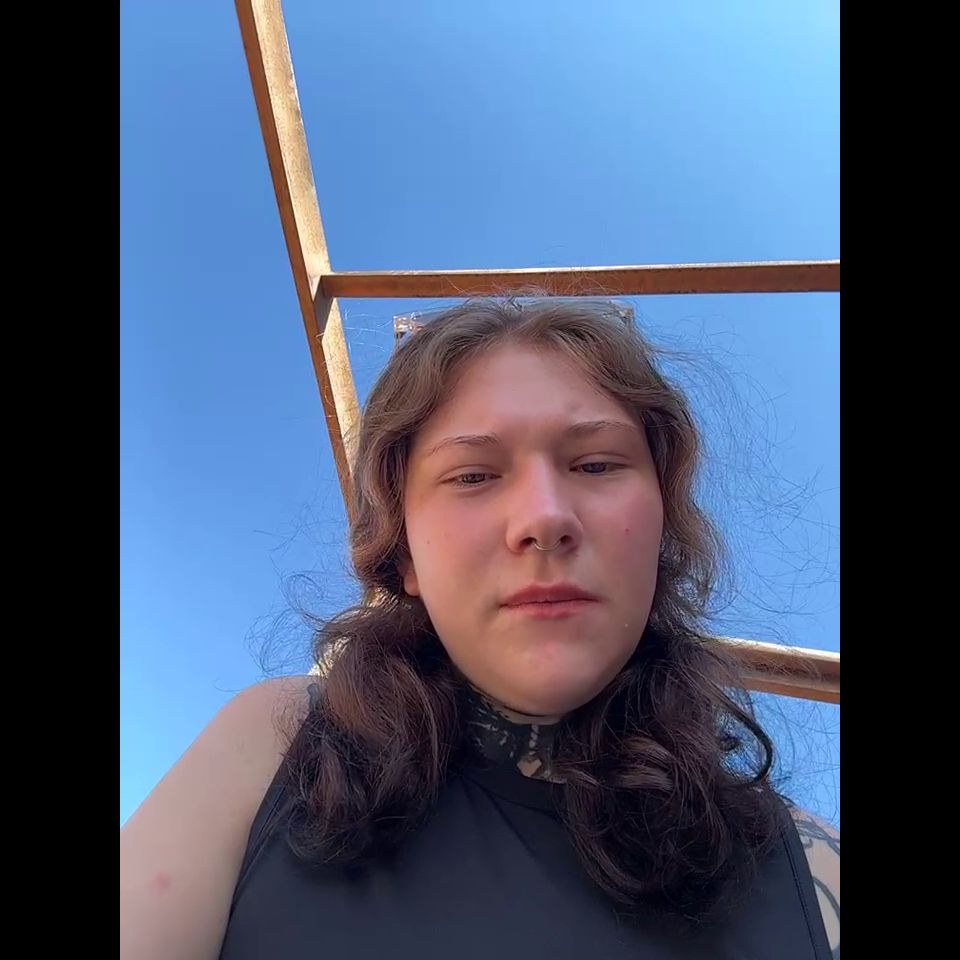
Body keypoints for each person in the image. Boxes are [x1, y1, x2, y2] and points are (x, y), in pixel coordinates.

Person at [120, 298, 839, 959]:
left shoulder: (814, 871)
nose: (545, 518)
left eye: (596, 463)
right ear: (405, 554)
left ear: (662, 528)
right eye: (472, 475)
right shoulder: (275, 745)